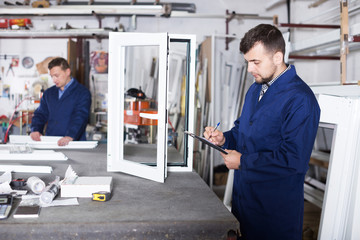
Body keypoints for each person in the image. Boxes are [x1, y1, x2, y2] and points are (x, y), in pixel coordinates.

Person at [204, 24, 320, 240]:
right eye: (248, 62)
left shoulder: (300, 100)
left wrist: (243, 162)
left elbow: (294, 160)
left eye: (255, 62)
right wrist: (224, 138)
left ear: (277, 57)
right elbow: (242, 132)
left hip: (274, 216)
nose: (249, 69)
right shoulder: (256, 88)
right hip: (244, 205)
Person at [30, 57, 91, 146]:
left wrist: (70, 136)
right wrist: (35, 129)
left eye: (57, 75)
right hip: (51, 142)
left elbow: (80, 117)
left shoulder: (82, 93)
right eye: (52, 76)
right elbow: (40, 114)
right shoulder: (48, 93)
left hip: (73, 143)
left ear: (67, 72)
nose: (54, 80)